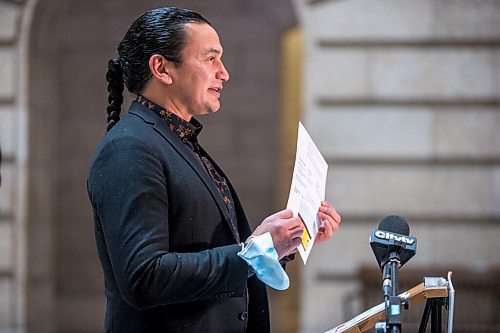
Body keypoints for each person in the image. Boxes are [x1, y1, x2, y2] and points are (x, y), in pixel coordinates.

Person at [87, 7, 341, 333]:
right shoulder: (129, 148)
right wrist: (255, 251)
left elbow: (207, 253)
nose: (224, 73)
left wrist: (281, 243)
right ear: (162, 68)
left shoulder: (175, 141)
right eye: (210, 59)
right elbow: (144, 277)